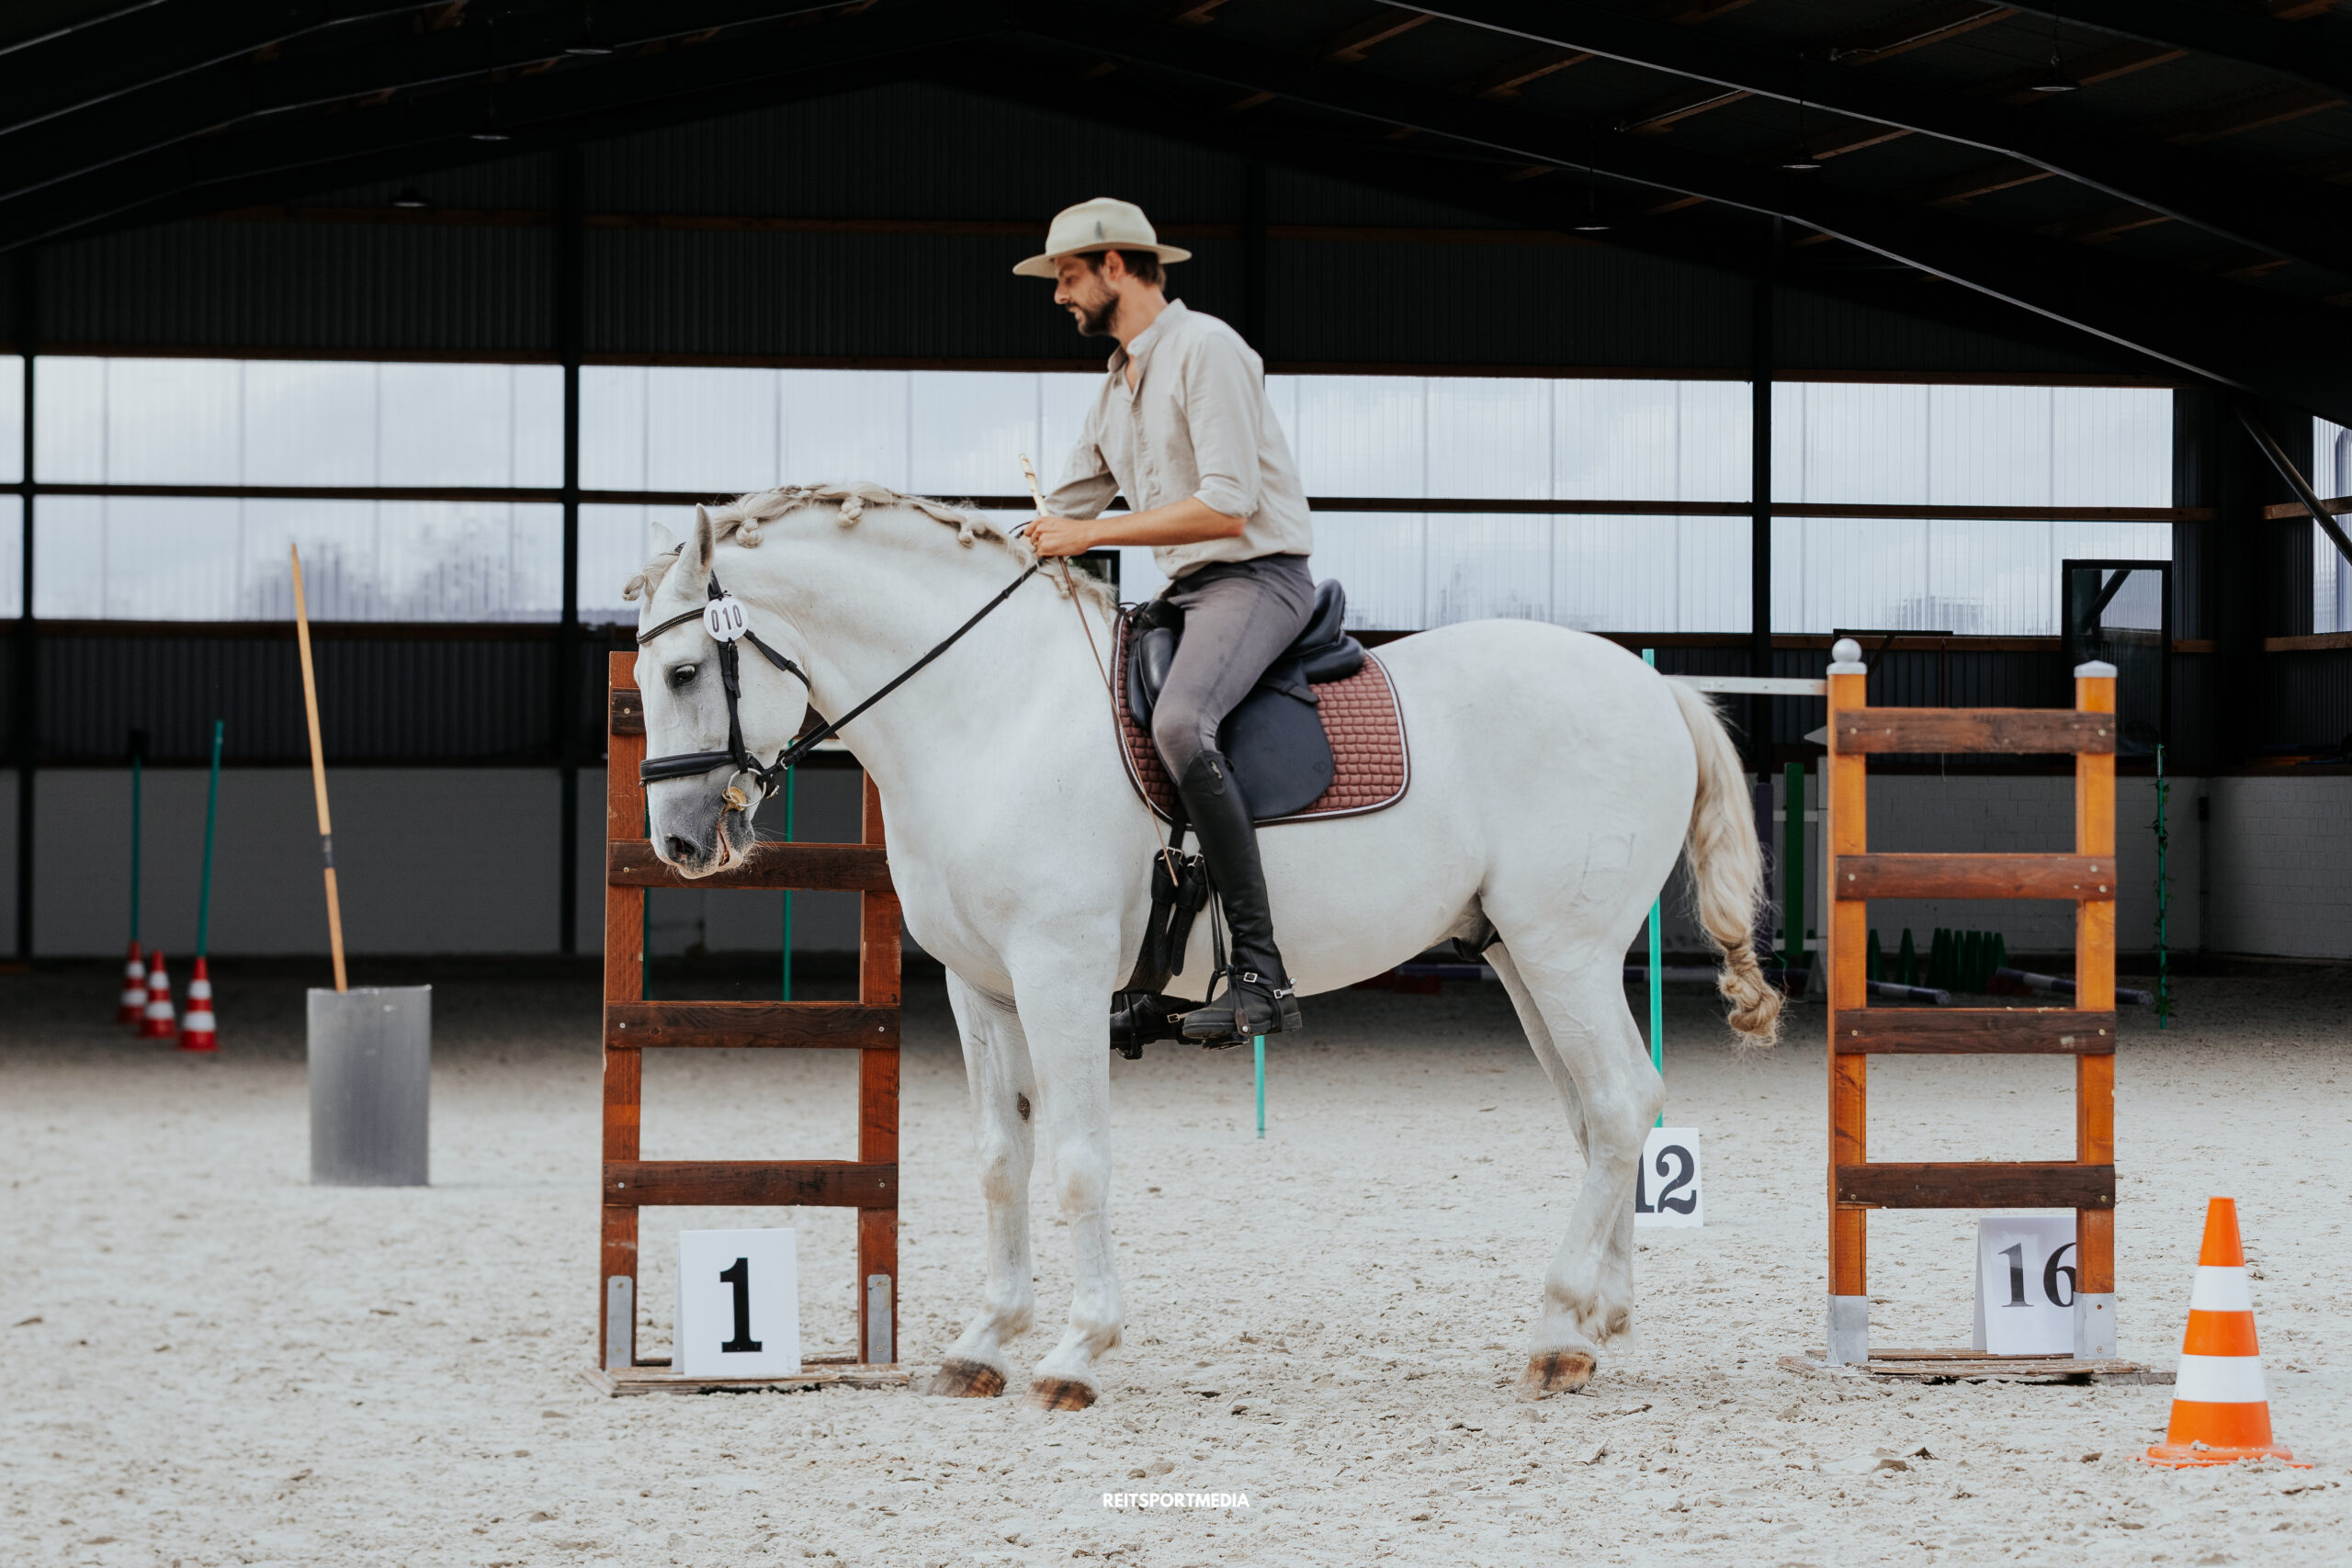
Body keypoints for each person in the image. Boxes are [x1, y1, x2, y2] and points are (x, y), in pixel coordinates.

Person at [1017, 197, 1314, 1046]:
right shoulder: (1114, 387)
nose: (1059, 295)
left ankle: (1261, 971)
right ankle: (1161, 966)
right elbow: (1062, 510)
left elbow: (1227, 503)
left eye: (1068, 276)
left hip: (1258, 577)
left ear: (1116, 266)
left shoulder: (1208, 350)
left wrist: (1090, 535)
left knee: (1182, 723)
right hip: (1188, 594)